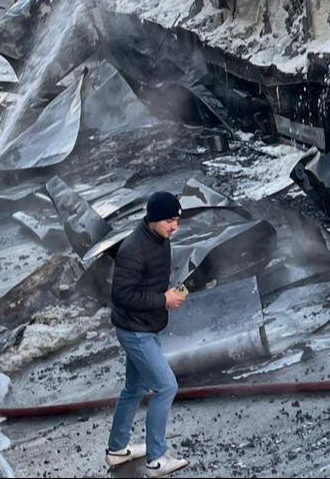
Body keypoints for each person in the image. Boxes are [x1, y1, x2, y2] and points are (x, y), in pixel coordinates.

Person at [106, 191, 189, 477]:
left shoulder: (158, 238)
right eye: (169, 220)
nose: (174, 226)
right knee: (167, 387)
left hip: (145, 326)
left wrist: (168, 295)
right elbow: (121, 295)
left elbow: (149, 283)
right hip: (135, 331)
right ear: (154, 219)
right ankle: (156, 459)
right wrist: (162, 300)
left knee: (135, 388)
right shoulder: (134, 249)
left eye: (176, 220)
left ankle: (117, 450)